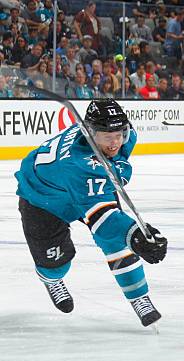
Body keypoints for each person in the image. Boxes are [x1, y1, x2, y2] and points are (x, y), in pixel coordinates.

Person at [14, 99, 167, 327]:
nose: (116, 142)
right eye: (108, 137)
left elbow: (109, 223)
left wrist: (129, 234)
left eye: (119, 134)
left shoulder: (123, 136)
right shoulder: (76, 164)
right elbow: (102, 220)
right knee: (56, 264)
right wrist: (136, 235)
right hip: (43, 198)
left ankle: (139, 298)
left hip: (85, 185)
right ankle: (51, 278)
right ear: (90, 134)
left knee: (116, 241)